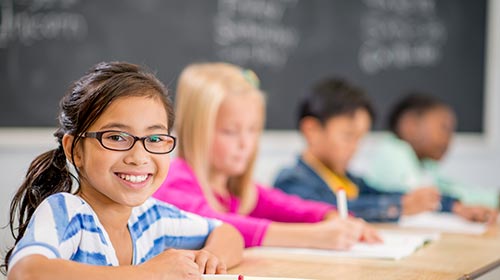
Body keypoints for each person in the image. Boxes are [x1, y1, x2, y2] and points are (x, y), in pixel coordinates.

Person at [3, 62, 244, 280]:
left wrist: (208, 257)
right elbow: (25, 272)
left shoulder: (152, 218)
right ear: (75, 149)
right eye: (116, 137)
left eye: (155, 138)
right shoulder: (68, 213)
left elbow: (228, 233)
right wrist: (145, 274)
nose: (139, 157)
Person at [153, 62, 381, 250]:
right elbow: (217, 225)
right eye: (230, 131)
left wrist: (329, 216)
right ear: (197, 130)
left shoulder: (237, 190)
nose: (245, 143)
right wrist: (314, 236)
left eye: (252, 130)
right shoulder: (174, 181)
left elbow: (289, 206)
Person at [273, 78, 461, 222]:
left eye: (360, 138)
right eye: (348, 135)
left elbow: (386, 195)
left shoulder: (348, 180)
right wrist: (399, 206)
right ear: (311, 130)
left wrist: (452, 206)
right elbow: (328, 210)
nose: (355, 147)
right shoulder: (291, 181)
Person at [363, 93, 498, 222]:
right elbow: (423, 198)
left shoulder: (425, 164)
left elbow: (450, 189)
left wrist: (493, 198)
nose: (449, 139)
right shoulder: (393, 151)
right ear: (411, 125)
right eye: (444, 128)